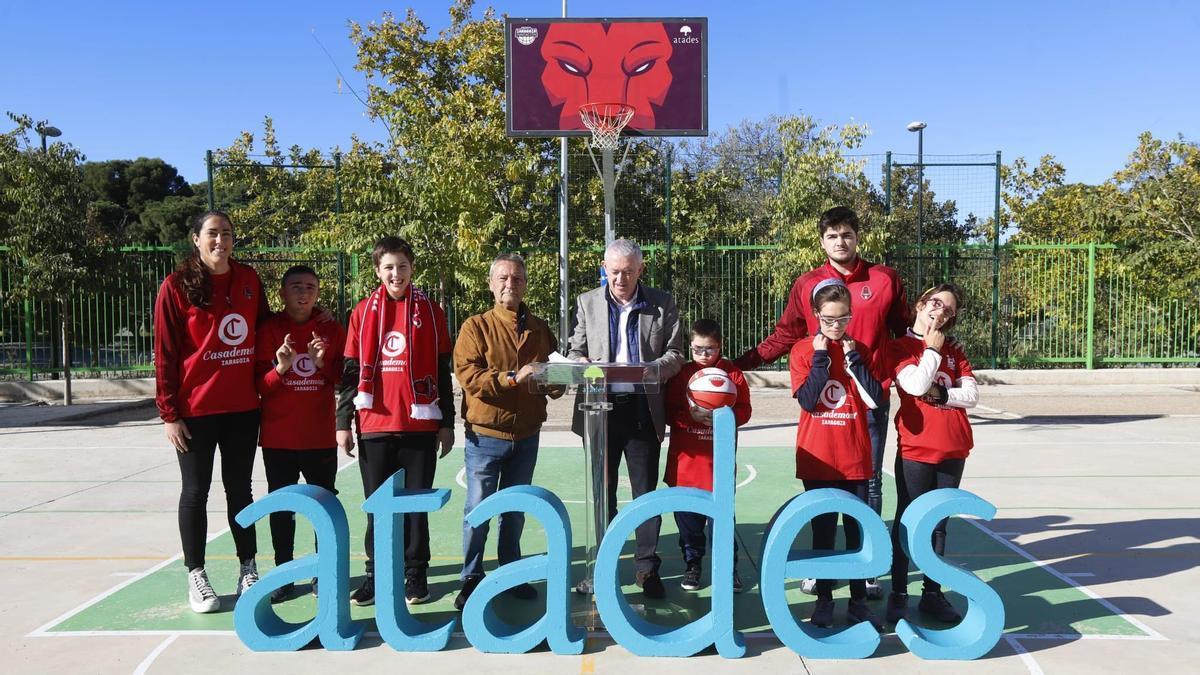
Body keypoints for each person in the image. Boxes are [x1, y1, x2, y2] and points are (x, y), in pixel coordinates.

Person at [734, 206, 909, 598]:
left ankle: (866, 566)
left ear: (857, 237)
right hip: (826, 407)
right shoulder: (807, 284)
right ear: (822, 241)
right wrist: (743, 361)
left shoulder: (884, 279)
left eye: (846, 234)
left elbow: (905, 334)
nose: (840, 241)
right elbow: (784, 335)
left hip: (868, 398)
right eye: (832, 236)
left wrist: (928, 359)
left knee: (869, 486)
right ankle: (822, 567)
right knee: (823, 492)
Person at [154, 211, 268, 614]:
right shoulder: (176, 286)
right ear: (196, 239)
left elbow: (267, 331)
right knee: (195, 492)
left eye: (227, 234)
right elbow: (165, 354)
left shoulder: (250, 280)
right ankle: (196, 574)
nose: (221, 240)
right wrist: (169, 413)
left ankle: (248, 567)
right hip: (195, 411)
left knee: (241, 490)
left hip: (241, 408)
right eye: (213, 234)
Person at [336, 236, 455, 607]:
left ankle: (415, 573)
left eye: (402, 266)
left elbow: (441, 370)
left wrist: (447, 422)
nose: (396, 273)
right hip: (374, 425)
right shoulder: (361, 312)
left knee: (416, 508)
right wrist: (343, 422)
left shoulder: (431, 312)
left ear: (412, 268)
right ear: (377, 271)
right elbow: (351, 372)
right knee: (377, 507)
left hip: (419, 426)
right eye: (388, 267)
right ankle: (376, 574)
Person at [568, 238, 685, 599]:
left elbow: (677, 352)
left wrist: (654, 370)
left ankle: (647, 570)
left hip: (642, 409)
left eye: (628, 272)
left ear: (640, 271)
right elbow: (575, 349)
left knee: (644, 496)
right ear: (604, 269)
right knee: (602, 496)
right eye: (614, 271)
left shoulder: (662, 304)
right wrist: (581, 364)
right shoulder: (587, 302)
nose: (620, 279)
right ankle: (601, 570)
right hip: (599, 410)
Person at [451, 252, 564, 610]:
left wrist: (560, 379)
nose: (509, 284)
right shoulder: (476, 326)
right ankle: (471, 577)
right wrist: (513, 378)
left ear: (525, 284)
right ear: (490, 284)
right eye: (502, 278)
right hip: (485, 435)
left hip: (527, 435)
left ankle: (510, 573)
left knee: (514, 512)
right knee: (479, 509)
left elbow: (551, 372)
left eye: (516, 278)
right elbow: (469, 376)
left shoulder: (541, 328)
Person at [789, 278, 884, 631]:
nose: (836, 326)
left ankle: (858, 600)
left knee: (857, 533)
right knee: (823, 534)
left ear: (851, 315)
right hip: (818, 457)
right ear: (816, 315)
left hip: (855, 458)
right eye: (829, 319)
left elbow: (877, 399)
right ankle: (825, 599)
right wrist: (819, 358)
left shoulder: (859, 350)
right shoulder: (802, 351)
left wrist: (853, 362)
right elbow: (809, 400)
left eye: (842, 319)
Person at [885, 283, 978, 625]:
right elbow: (914, 386)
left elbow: (971, 395)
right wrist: (932, 352)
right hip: (917, 447)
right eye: (936, 303)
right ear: (921, 304)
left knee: (939, 525)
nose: (941, 312)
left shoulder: (955, 350)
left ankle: (932, 593)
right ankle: (898, 593)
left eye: (949, 310)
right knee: (909, 522)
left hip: (954, 448)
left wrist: (942, 394)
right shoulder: (901, 347)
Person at [254, 265, 346, 602]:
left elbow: (342, 379)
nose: (303, 292)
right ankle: (283, 573)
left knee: (324, 508)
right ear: (282, 293)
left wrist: (321, 364)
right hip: (279, 438)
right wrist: (281, 368)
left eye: (310, 287)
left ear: (318, 293)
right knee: (282, 509)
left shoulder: (331, 329)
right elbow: (259, 386)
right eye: (296, 287)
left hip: (319, 436)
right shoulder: (269, 330)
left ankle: (325, 574)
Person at [662, 318, 751, 593]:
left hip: (718, 469)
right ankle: (693, 566)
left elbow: (745, 411)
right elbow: (668, 412)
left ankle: (728, 570)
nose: (703, 355)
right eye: (698, 349)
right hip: (686, 468)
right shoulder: (682, 374)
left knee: (723, 524)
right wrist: (688, 414)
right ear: (690, 346)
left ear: (720, 347)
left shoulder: (732, 374)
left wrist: (723, 416)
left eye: (710, 349)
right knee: (689, 526)